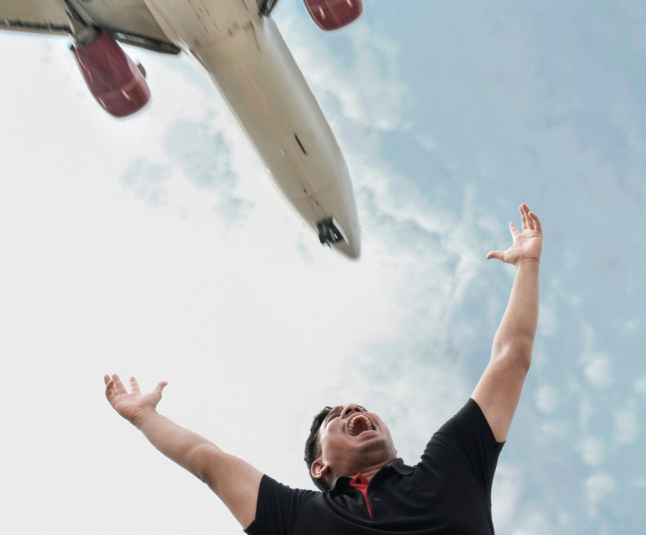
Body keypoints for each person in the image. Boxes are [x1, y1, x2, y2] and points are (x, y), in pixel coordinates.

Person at [104, 203, 544, 534]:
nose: (354, 408)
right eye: (336, 417)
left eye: (357, 408)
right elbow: (209, 462)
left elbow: (511, 356)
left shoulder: (450, 465)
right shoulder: (300, 517)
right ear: (319, 468)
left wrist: (526, 264)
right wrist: (145, 416)